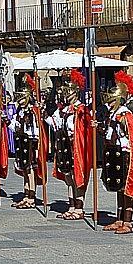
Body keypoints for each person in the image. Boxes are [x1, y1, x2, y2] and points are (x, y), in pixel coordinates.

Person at [100, 71, 133, 234]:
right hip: (115, 152)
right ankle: (119, 218)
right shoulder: (112, 114)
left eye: (112, 99)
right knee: (118, 186)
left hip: (126, 154)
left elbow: (131, 135)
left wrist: (121, 125)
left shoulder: (126, 115)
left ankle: (128, 221)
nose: (109, 102)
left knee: (127, 188)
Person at [49, 70, 93, 220]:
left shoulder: (81, 109)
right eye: (65, 93)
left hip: (76, 146)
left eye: (69, 93)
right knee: (68, 176)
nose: (66, 96)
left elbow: (84, 129)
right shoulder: (65, 110)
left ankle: (79, 209)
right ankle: (72, 205)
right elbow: (57, 125)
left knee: (77, 176)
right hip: (65, 144)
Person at [11, 74, 47, 210]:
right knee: (24, 169)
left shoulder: (32, 111)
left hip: (31, 142)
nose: (19, 100)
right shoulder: (20, 111)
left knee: (30, 169)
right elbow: (16, 126)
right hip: (22, 141)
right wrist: (8, 121)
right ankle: (26, 194)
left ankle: (32, 196)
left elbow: (37, 128)